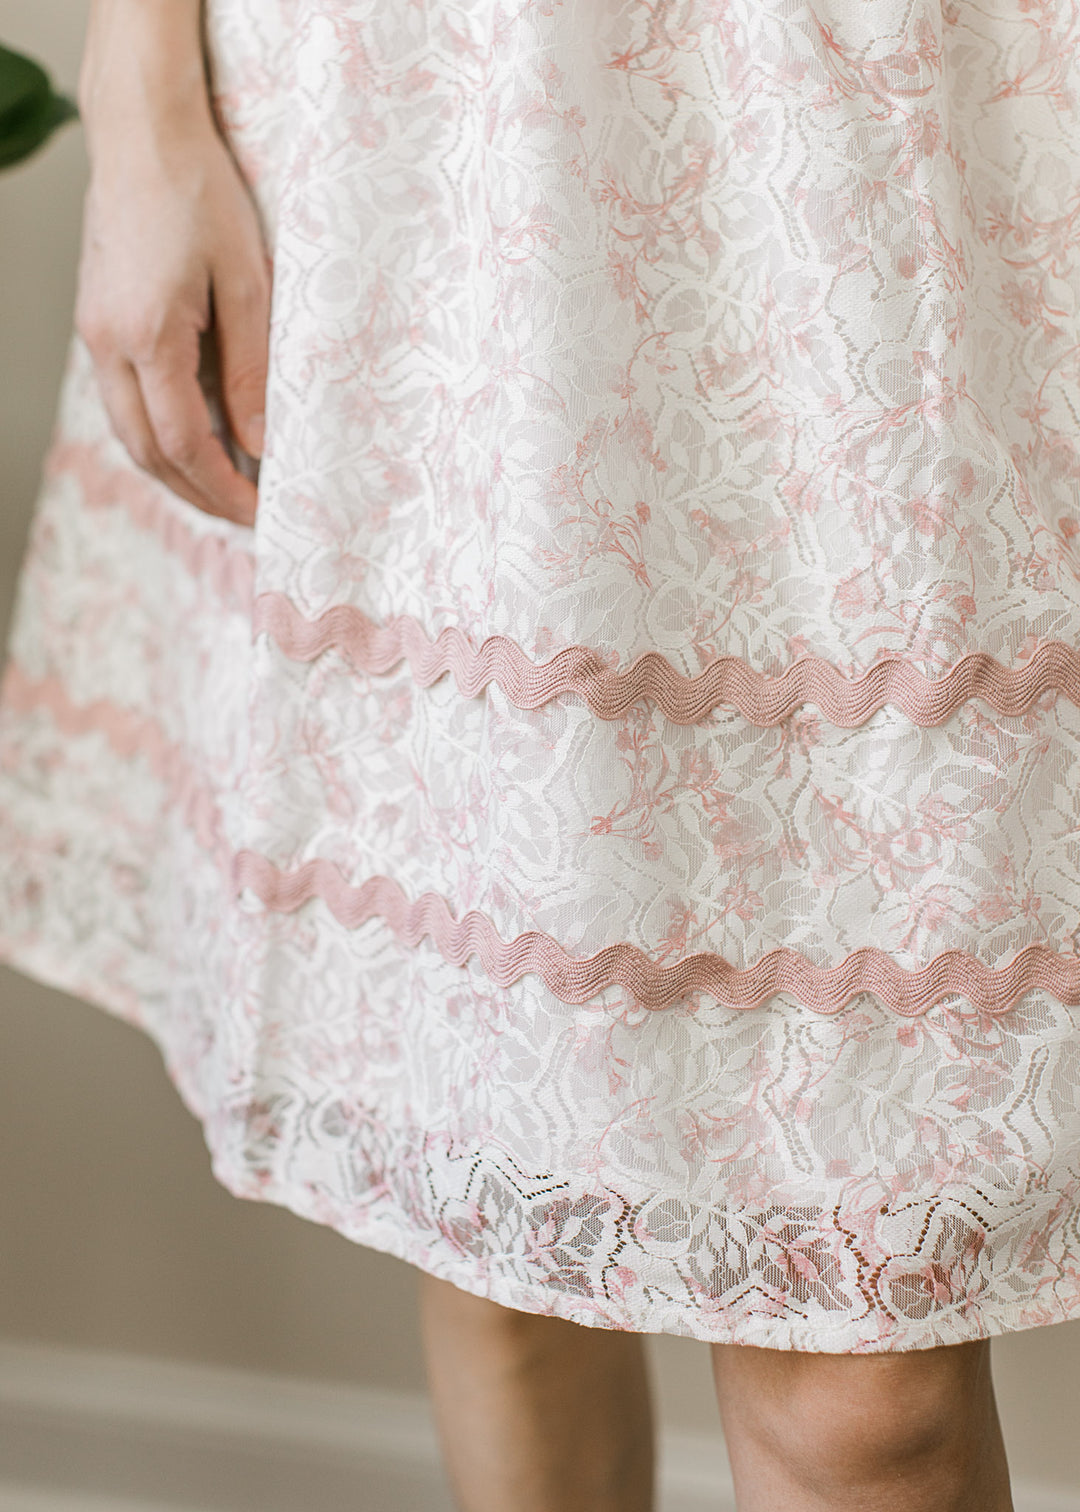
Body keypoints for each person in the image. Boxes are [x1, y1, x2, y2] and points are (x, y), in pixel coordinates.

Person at [5, 0, 1080, 1506]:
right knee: (503, 1222)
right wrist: (140, 111)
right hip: (440, 147)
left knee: (866, 1407)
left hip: (920, 148)